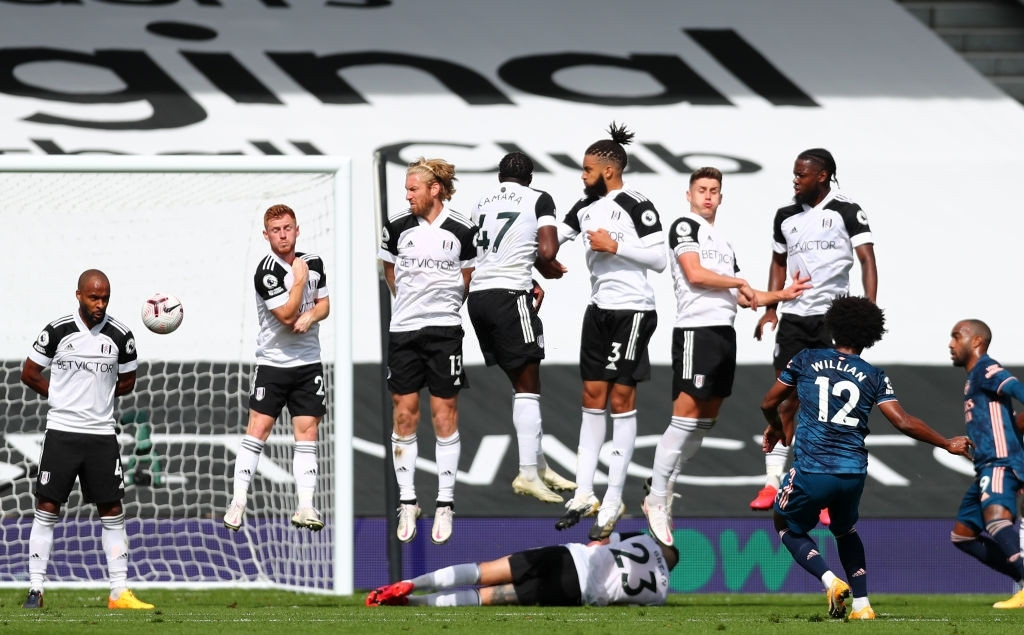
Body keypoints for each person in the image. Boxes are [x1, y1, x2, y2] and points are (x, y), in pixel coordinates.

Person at [760, 296, 972, 620]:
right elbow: (902, 421)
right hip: (853, 473)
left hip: (813, 469)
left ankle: (830, 581)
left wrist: (775, 427)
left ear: (832, 325)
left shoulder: (807, 358)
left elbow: (768, 402)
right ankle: (862, 605)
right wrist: (945, 443)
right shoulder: (873, 375)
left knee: (784, 521)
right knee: (845, 531)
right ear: (871, 335)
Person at [641, 167, 811, 546]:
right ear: (688, 194)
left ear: (720, 196)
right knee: (683, 419)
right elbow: (696, 274)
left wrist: (782, 295)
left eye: (714, 190)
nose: (707, 196)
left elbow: (746, 297)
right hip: (695, 332)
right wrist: (739, 282)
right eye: (701, 189)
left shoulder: (722, 240)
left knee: (705, 423)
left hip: (723, 333)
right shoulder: (684, 227)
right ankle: (656, 498)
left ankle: (662, 482)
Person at [750, 148, 878, 527]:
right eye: (794, 174)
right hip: (793, 319)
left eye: (801, 174)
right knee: (784, 399)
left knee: (824, 407)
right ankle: (773, 481)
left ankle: (818, 487)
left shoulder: (846, 210)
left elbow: (868, 259)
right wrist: (771, 307)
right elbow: (777, 260)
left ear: (822, 176)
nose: (795, 180)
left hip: (831, 320)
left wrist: (868, 310)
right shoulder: (785, 216)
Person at [554, 122, 667, 540]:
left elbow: (659, 259)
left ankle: (614, 495)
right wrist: (541, 258)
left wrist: (615, 246)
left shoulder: (636, 203)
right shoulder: (584, 207)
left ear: (608, 169)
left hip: (633, 311)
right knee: (591, 397)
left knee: (621, 399)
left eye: (587, 169)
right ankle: (584, 492)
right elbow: (554, 238)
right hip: (598, 311)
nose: (582, 176)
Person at [19, 269, 154, 610]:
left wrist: (99, 397)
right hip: (62, 432)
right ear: (78, 295)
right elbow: (29, 373)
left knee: (111, 508)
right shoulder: (58, 331)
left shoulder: (122, 335)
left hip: (101, 435)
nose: (100, 304)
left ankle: (118, 591)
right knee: (47, 506)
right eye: (94, 297)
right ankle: (36, 589)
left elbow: (127, 382)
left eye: (105, 297)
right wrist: (61, 396)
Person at [467, 151, 576, 504]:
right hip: (510, 296)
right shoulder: (539, 198)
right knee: (529, 388)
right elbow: (545, 249)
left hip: (479, 297)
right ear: (529, 178)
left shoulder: (479, 203)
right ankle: (527, 472)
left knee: (519, 383)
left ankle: (539, 464)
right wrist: (551, 264)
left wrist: (538, 270)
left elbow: (486, 252)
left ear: (501, 176)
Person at [378, 157, 477, 545]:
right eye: (406, 189)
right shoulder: (396, 228)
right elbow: (389, 272)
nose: (408, 195)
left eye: (412, 189)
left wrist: (443, 306)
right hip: (403, 331)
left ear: (434, 189)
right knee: (404, 413)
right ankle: (407, 501)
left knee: (443, 413)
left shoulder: (463, 230)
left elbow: (467, 278)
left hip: (445, 332)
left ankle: (446, 503)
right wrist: (408, 305)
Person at [224, 204, 331, 532]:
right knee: (258, 430)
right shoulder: (266, 271)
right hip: (273, 363)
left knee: (308, 432)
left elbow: (324, 304)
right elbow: (285, 316)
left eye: (287, 228)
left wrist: (313, 314)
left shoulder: (314, 262)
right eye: (276, 230)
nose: (283, 235)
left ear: (297, 230)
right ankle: (238, 501)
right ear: (266, 235)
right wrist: (298, 282)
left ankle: (306, 506)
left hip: (308, 362)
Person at [365, 531, 678, 607]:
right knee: (491, 596)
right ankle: (414, 602)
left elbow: (599, 542)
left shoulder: (642, 539)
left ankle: (410, 583)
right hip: (577, 590)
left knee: (483, 570)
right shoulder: (660, 594)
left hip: (568, 557)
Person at [947, 319, 1024, 609]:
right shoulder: (972, 380)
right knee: (963, 535)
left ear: (976, 341)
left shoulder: (986, 368)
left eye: (957, 337)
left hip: (1001, 463)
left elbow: (1016, 388)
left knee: (996, 520)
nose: (951, 344)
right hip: (985, 464)